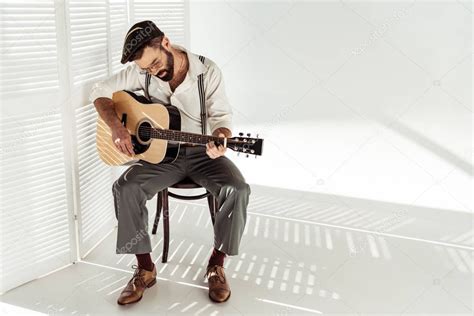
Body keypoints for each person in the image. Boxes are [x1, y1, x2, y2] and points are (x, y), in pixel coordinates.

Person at [89, 20, 251, 305]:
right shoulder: (141, 72)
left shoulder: (207, 71)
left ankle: (216, 263)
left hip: (203, 154)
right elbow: (99, 90)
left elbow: (222, 119)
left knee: (237, 189)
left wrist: (222, 138)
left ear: (165, 43)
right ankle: (145, 268)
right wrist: (116, 126)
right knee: (125, 187)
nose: (152, 72)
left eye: (153, 64)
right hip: (161, 157)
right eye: (146, 69)